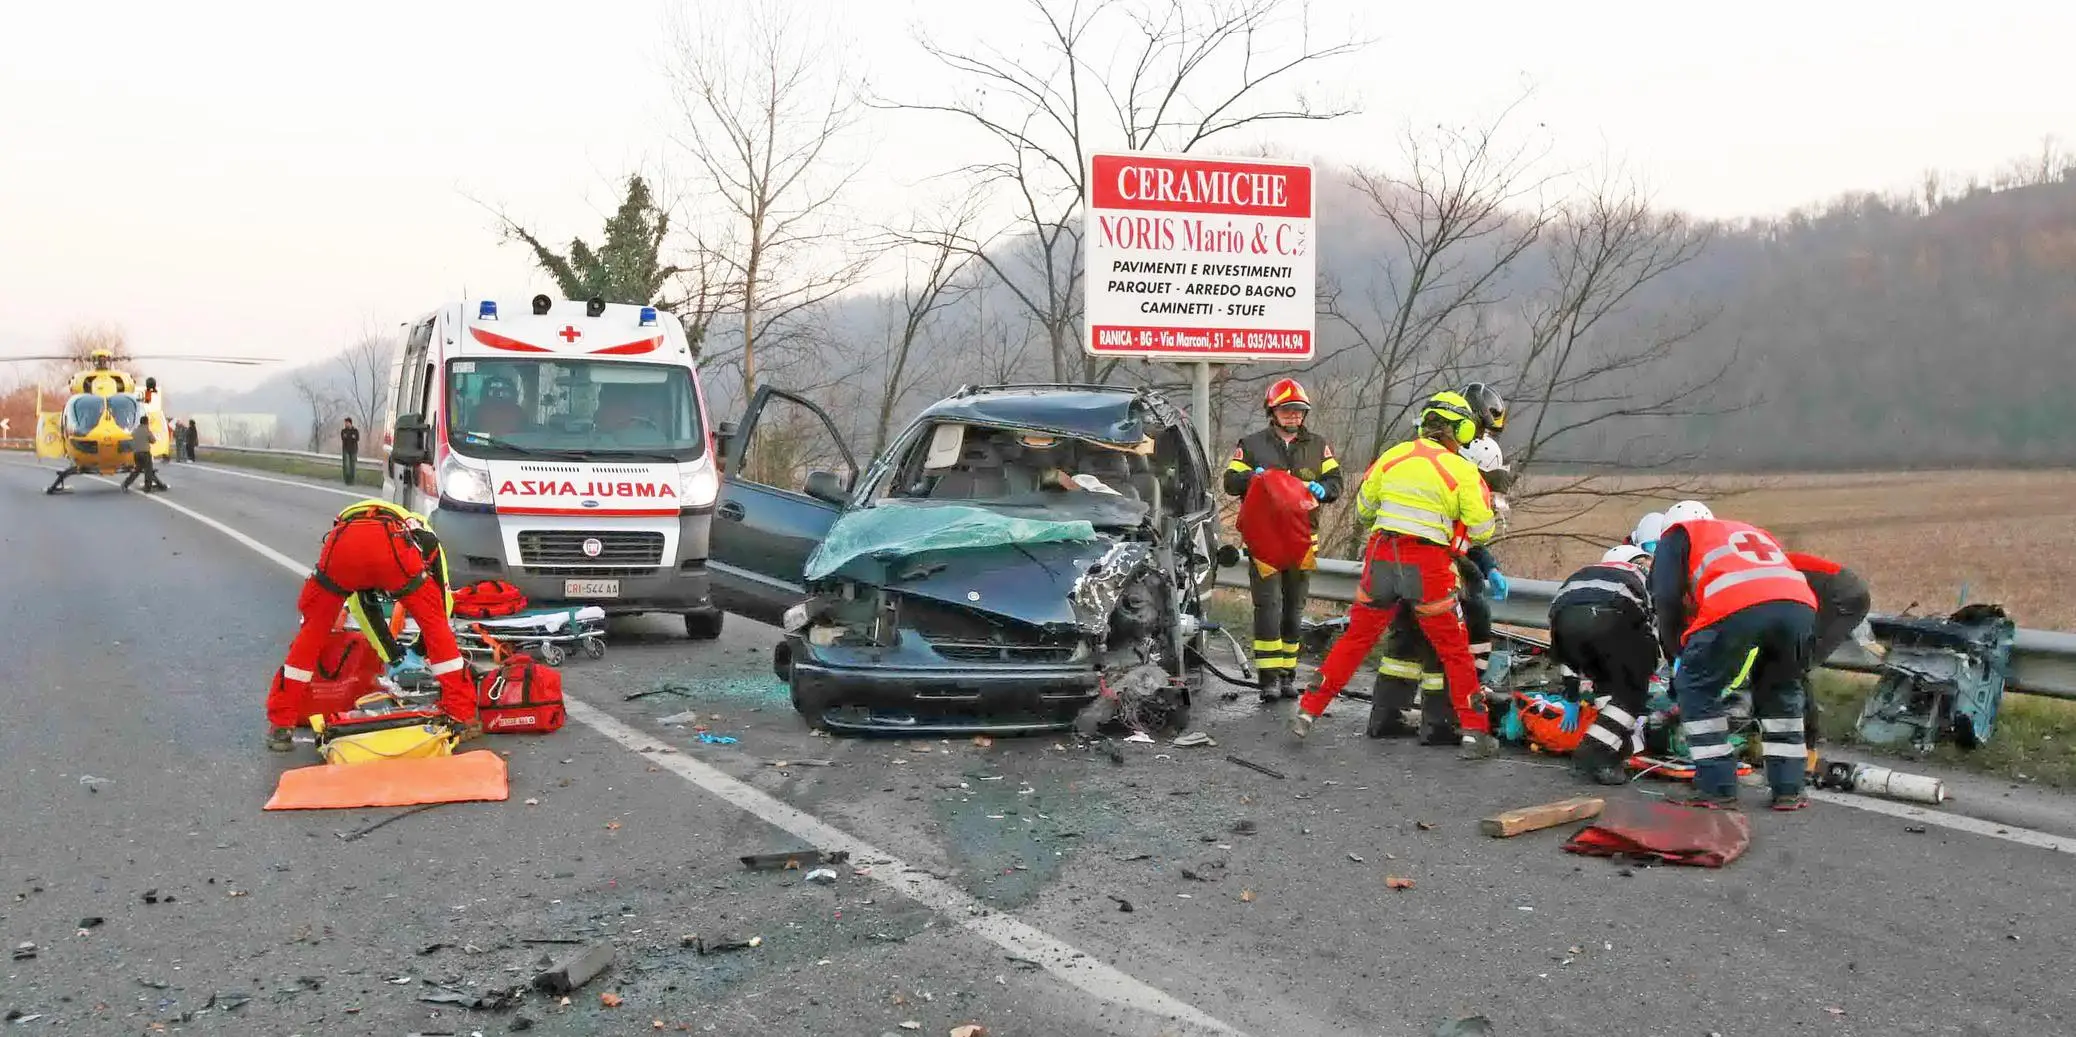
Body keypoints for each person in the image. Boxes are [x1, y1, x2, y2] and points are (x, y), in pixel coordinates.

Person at [1295, 391, 1497, 759]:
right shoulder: (1462, 470)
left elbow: (1364, 511)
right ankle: (1474, 734)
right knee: (1454, 651)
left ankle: (1308, 710)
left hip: (1383, 556)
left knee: (1355, 640)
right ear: (1461, 430)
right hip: (1429, 564)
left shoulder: (1391, 457)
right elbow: (1482, 529)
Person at [264, 499, 479, 751]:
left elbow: (361, 607)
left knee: (310, 636)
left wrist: (392, 654)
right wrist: (417, 651)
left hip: (342, 548)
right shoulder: (424, 534)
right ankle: (462, 716)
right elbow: (442, 605)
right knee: (437, 629)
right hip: (393, 547)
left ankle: (281, 724)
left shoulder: (345, 526)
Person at [1649, 501, 1819, 810]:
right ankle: (1789, 789)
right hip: (1799, 605)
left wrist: (1678, 655)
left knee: (1698, 688)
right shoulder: (1746, 531)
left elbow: (1666, 598)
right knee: (1781, 689)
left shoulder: (1676, 535)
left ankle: (1717, 787)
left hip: (1736, 603)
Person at [1361, 433, 1511, 743]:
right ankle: (1440, 725)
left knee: (1403, 648)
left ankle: (1386, 717)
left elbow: (1466, 541)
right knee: (1443, 648)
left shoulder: (1432, 478)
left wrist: (1489, 567)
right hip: (1433, 574)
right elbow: (1460, 539)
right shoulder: (1458, 487)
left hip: (1400, 568)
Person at [1224, 378, 1343, 702]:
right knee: (1268, 609)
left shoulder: (1318, 446)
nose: (1293, 416)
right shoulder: (1251, 444)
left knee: (1293, 611)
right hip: (1264, 544)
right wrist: (1252, 477)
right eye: (1287, 411)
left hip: (1304, 542)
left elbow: (1336, 482)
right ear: (1272, 412)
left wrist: (1325, 490)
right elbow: (1230, 482)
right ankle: (1268, 680)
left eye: (1298, 412)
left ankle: (1288, 675)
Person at [1549, 544, 1660, 785]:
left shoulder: (1584, 574)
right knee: (1632, 693)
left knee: (1604, 678)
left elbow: (1569, 654)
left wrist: (1570, 695)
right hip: (1609, 615)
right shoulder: (1643, 576)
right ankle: (1593, 753)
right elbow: (1654, 630)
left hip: (1563, 621)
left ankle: (1613, 746)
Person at [1784, 549, 1877, 759]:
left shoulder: (1759, 573)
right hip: (1834, 592)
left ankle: (1807, 748)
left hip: (1841, 599)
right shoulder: (1761, 564)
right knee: (1791, 660)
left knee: (1796, 664)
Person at [119, 419, 168, 493]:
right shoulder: (146, 430)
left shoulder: (135, 431)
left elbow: (130, 439)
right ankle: (147, 488)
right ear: (146, 422)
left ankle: (125, 484)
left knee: (136, 471)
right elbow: (153, 440)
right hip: (145, 453)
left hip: (136, 454)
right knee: (148, 471)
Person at [339, 417, 361, 485]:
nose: (345, 424)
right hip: (346, 450)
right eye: (345, 423)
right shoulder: (343, 431)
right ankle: (346, 479)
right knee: (346, 465)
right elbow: (343, 438)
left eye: (347, 423)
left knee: (352, 465)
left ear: (350, 423)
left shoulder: (355, 430)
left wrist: (351, 437)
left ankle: (352, 480)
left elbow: (357, 438)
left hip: (353, 450)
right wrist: (351, 437)